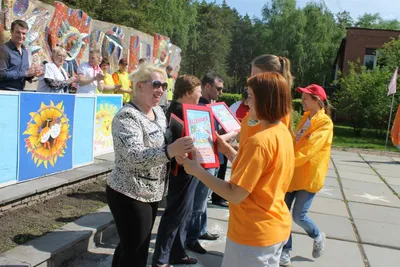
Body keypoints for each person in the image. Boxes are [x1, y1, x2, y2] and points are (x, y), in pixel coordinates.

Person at [179, 72, 295, 267]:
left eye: (250, 96)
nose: (247, 103)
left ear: (264, 99)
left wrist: (197, 170)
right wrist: (227, 150)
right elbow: (259, 172)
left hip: (253, 236)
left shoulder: (259, 142)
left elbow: (234, 194)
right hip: (274, 227)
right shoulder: (281, 132)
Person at [106, 63, 194, 267]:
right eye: (156, 84)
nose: (161, 90)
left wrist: (180, 149)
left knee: (129, 248)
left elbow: (167, 142)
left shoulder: (158, 113)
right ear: (139, 86)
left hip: (152, 193)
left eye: (163, 85)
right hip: (129, 193)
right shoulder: (127, 116)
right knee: (136, 254)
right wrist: (170, 150)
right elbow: (134, 155)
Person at [280, 84, 333, 266]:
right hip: (293, 173)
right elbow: (296, 142)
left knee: (298, 216)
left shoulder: (325, 124)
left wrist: (287, 161)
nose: (302, 101)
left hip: (308, 176)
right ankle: (285, 250)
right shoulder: (305, 118)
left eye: (305, 98)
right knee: (283, 214)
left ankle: (317, 235)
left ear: (317, 100)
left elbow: (310, 149)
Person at [152, 75, 203, 267]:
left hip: (185, 169)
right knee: (175, 213)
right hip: (182, 171)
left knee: (184, 212)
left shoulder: (177, 109)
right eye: (198, 92)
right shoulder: (181, 112)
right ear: (188, 93)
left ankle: (177, 252)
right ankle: (161, 259)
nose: (199, 96)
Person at [185, 72, 225, 254]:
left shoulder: (212, 106)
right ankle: (191, 238)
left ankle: (200, 230)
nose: (220, 92)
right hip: (204, 161)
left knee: (204, 199)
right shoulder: (197, 108)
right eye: (218, 88)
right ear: (207, 87)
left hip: (214, 159)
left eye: (222, 89)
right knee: (199, 202)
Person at [239, 55, 294, 148]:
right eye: (251, 76)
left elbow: (266, 147)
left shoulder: (276, 112)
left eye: (255, 76)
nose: (250, 80)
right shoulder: (259, 106)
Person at [0, 20, 40, 91]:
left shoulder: (25, 52)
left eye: (24, 33)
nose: (21, 36)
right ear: (11, 32)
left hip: (20, 93)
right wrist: (25, 73)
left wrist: (32, 73)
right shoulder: (3, 50)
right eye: (18, 32)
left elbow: (23, 74)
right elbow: (1, 74)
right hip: (5, 93)